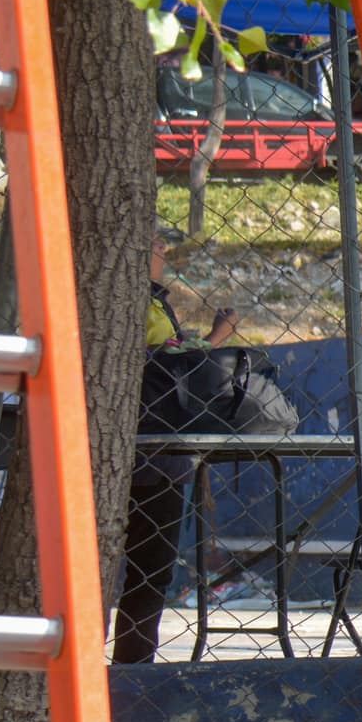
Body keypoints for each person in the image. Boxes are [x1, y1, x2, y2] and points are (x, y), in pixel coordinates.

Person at [114, 229, 243, 663]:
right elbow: (170, 365)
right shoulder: (124, 297)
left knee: (150, 571)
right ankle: (120, 668)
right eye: (150, 242)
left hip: (161, 449)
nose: (161, 249)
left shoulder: (155, 299)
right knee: (146, 569)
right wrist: (215, 339)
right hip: (147, 447)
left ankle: (133, 667)